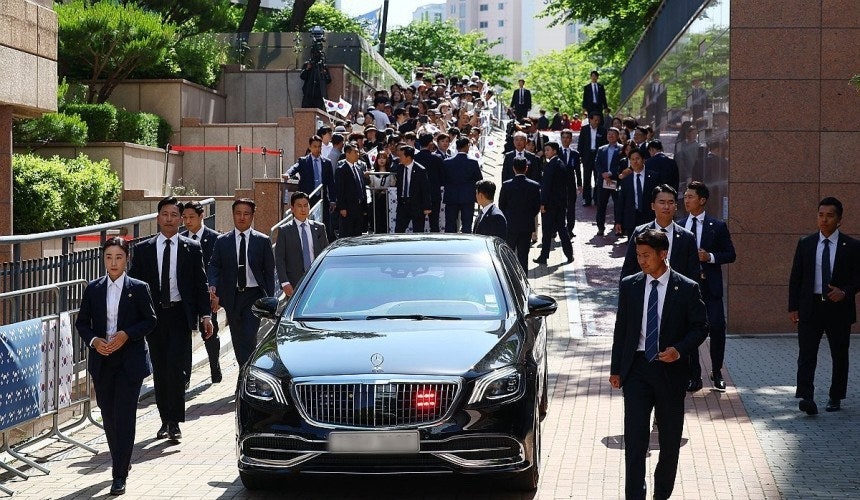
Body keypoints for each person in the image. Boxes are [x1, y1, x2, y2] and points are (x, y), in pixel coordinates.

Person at [610, 229, 708, 500]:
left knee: (669, 441)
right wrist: (616, 369)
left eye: (646, 255)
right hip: (637, 370)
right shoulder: (630, 285)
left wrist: (679, 350)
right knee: (635, 440)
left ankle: (661, 494)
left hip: (670, 372)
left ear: (663, 254)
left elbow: (701, 327)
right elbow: (622, 329)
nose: (641, 261)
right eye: (638, 255)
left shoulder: (687, 288)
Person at [76, 237, 157, 496]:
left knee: (124, 416)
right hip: (103, 361)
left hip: (129, 362)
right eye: (109, 257)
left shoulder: (139, 287)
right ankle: (122, 457)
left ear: (127, 259)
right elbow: (82, 323)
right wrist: (94, 340)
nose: (113, 262)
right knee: (108, 416)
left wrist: (126, 334)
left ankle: (119, 473)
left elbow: (150, 320)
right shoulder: (94, 289)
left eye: (118, 257)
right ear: (103, 259)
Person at [128, 196, 212, 442]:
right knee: (161, 370)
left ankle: (174, 421)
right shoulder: (144, 250)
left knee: (176, 370)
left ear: (181, 219)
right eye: (165, 214)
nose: (169, 219)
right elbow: (135, 285)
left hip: (180, 315)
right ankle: (165, 419)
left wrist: (205, 314)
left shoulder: (191, 248)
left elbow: (200, 283)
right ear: (157, 218)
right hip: (154, 318)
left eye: (174, 215)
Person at [789, 197, 860, 414]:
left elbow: (858, 277)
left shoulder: (852, 246)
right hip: (811, 307)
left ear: (839, 219)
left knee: (839, 354)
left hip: (838, 308)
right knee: (806, 354)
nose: (824, 219)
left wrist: (845, 292)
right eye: (821, 215)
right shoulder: (806, 243)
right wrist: (793, 307)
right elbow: (796, 277)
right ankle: (806, 397)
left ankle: (835, 396)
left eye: (830, 215)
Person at [208, 198, 276, 368]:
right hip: (232, 296)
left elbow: (269, 271)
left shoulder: (262, 240)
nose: (241, 217)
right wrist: (213, 285)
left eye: (246, 214)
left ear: (252, 216)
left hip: (253, 295)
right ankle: (243, 370)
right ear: (233, 215)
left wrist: (270, 299)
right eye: (238, 213)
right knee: (237, 337)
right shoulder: (223, 241)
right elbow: (214, 265)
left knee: (249, 335)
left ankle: (247, 372)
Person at [682, 181, 737, 392]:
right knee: (691, 332)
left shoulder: (718, 226)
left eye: (690, 197)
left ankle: (716, 371)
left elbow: (730, 254)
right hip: (687, 290)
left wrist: (710, 257)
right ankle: (694, 376)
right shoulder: (679, 225)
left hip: (710, 288)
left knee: (717, 328)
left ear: (702, 200)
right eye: (685, 197)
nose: (686, 200)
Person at [620, 185, 699, 284]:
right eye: (662, 202)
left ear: (675, 206)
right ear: (653, 206)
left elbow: (693, 274)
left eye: (671, 203)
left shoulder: (687, 237)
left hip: (677, 293)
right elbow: (628, 268)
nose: (666, 207)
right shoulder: (640, 232)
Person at [180, 201, 222, 385]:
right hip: (186, 296)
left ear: (201, 216)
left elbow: (220, 268)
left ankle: (215, 368)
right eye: (185, 218)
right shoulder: (180, 239)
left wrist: (218, 295)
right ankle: (185, 377)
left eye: (191, 217)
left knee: (210, 332)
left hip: (208, 294)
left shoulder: (215, 238)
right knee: (185, 335)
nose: (188, 221)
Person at [275, 191, 329, 298]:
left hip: (317, 279)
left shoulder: (319, 228)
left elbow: (326, 254)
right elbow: (280, 259)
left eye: (306, 205)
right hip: (294, 283)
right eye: (299, 206)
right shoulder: (284, 230)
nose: (303, 209)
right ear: (292, 208)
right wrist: (285, 283)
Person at [534, 141, 574, 265]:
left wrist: (543, 203)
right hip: (560, 203)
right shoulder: (560, 163)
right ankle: (569, 254)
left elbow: (546, 186)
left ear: (554, 151)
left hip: (550, 204)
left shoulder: (551, 165)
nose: (546, 152)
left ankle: (544, 256)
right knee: (562, 228)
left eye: (548, 150)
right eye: (545, 150)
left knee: (547, 231)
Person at [614, 148, 658, 238]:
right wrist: (618, 221)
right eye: (632, 159)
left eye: (637, 158)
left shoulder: (654, 177)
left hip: (649, 217)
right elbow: (621, 202)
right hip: (631, 219)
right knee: (633, 247)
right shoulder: (626, 180)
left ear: (643, 160)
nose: (635, 162)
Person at [443, 137, 483, 233]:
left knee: (450, 223)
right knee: (467, 223)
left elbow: (443, 178)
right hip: (467, 197)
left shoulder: (447, 162)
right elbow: (479, 179)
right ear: (466, 147)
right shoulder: (473, 162)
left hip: (451, 196)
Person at [394, 144, 432, 233]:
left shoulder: (420, 170)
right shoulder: (399, 168)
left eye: (401, 155)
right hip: (403, 205)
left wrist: (427, 206)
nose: (399, 157)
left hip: (416, 205)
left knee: (418, 231)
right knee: (399, 230)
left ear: (408, 157)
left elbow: (425, 189)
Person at [285, 135, 333, 204]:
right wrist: (288, 174)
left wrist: (332, 200)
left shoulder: (327, 163)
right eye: (315, 146)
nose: (317, 149)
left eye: (319, 146)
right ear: (310, 147)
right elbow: (294, 168)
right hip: (307, 198)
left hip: (322, 198)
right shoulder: (303, 161)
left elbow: (331, 183)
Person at [334, 142, 369, 237]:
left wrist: (364, 206)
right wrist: (342, 207)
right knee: (347, 233)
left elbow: (362, 187)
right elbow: (340, 190)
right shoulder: (341, 169)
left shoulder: (358, 168)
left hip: (359, 207)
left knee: (357, 233)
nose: (358, 154)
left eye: (358, 152)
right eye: (355, 152)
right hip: (348, 208)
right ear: (347, 154)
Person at [594, 127, 623, 237]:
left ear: (617, 136)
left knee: (617, 205)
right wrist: (603, 174)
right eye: (609, 134)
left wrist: (610, 173)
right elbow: (597, 163)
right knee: (601, 205)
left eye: (613, 134)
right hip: (603, 181)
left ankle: (618, 227)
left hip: (615, 180)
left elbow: (621, 164)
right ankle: (600, 227)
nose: (610, 136)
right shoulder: (602, 149)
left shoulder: (621, 148)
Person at [414, 133, 445, 232]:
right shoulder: (437, 158)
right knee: (434, 223)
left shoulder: (415, 158)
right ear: (430, 143)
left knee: (418, 224)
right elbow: (442, 177)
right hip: (434, 194)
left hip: (418, 194)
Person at [576, 113, 607, 206]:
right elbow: (581, 143)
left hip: (598, 156)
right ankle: (587, 199)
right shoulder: (584, 129)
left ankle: (597, 198)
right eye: (595, 120)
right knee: (587, 178)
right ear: (590, 119)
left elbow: (605, 144)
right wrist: (580, 155)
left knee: (598, 178)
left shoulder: (602, 130)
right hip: (587, 156)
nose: (597, 122)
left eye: (598, 120)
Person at [559, 129, 582, 237]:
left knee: (571, 208)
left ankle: (570, 229)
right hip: (558, 185)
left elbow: (578, 170)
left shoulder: (575, 154)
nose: (565, 140)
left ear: (571, 139)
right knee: (558, 207)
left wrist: (580, 184)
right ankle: (557, 228)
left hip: (570, 185)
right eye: (563, 137)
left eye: (568, 138)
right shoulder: (556, 152)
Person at [367, 151, 396, 233]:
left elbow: (392, 185)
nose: (381, 160)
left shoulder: (390, 173)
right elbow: (371, 185)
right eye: (379, 158)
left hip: (387, 199)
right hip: (376, 199)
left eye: (384, 158)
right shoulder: (372, 173)